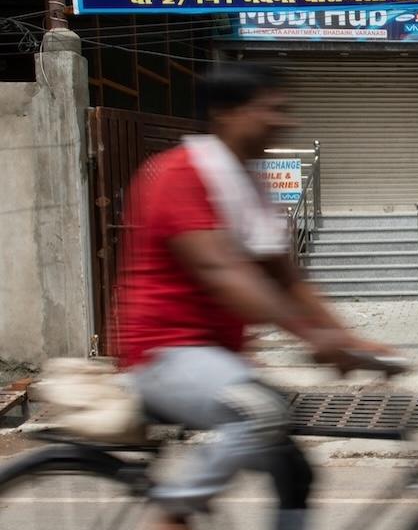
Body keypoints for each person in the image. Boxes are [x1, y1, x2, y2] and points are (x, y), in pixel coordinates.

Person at [114, 63, 393, 530]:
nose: (284, 121)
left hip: (217, 361)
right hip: (164, 356)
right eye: (270, 109)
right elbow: (223, 273)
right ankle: (172, 514)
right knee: (260, 412)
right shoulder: (180, 173)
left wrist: (349, 340)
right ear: (225, 113)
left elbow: (288, 278)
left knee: (294, 470)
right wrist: (311, 336)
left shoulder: (247, 184)